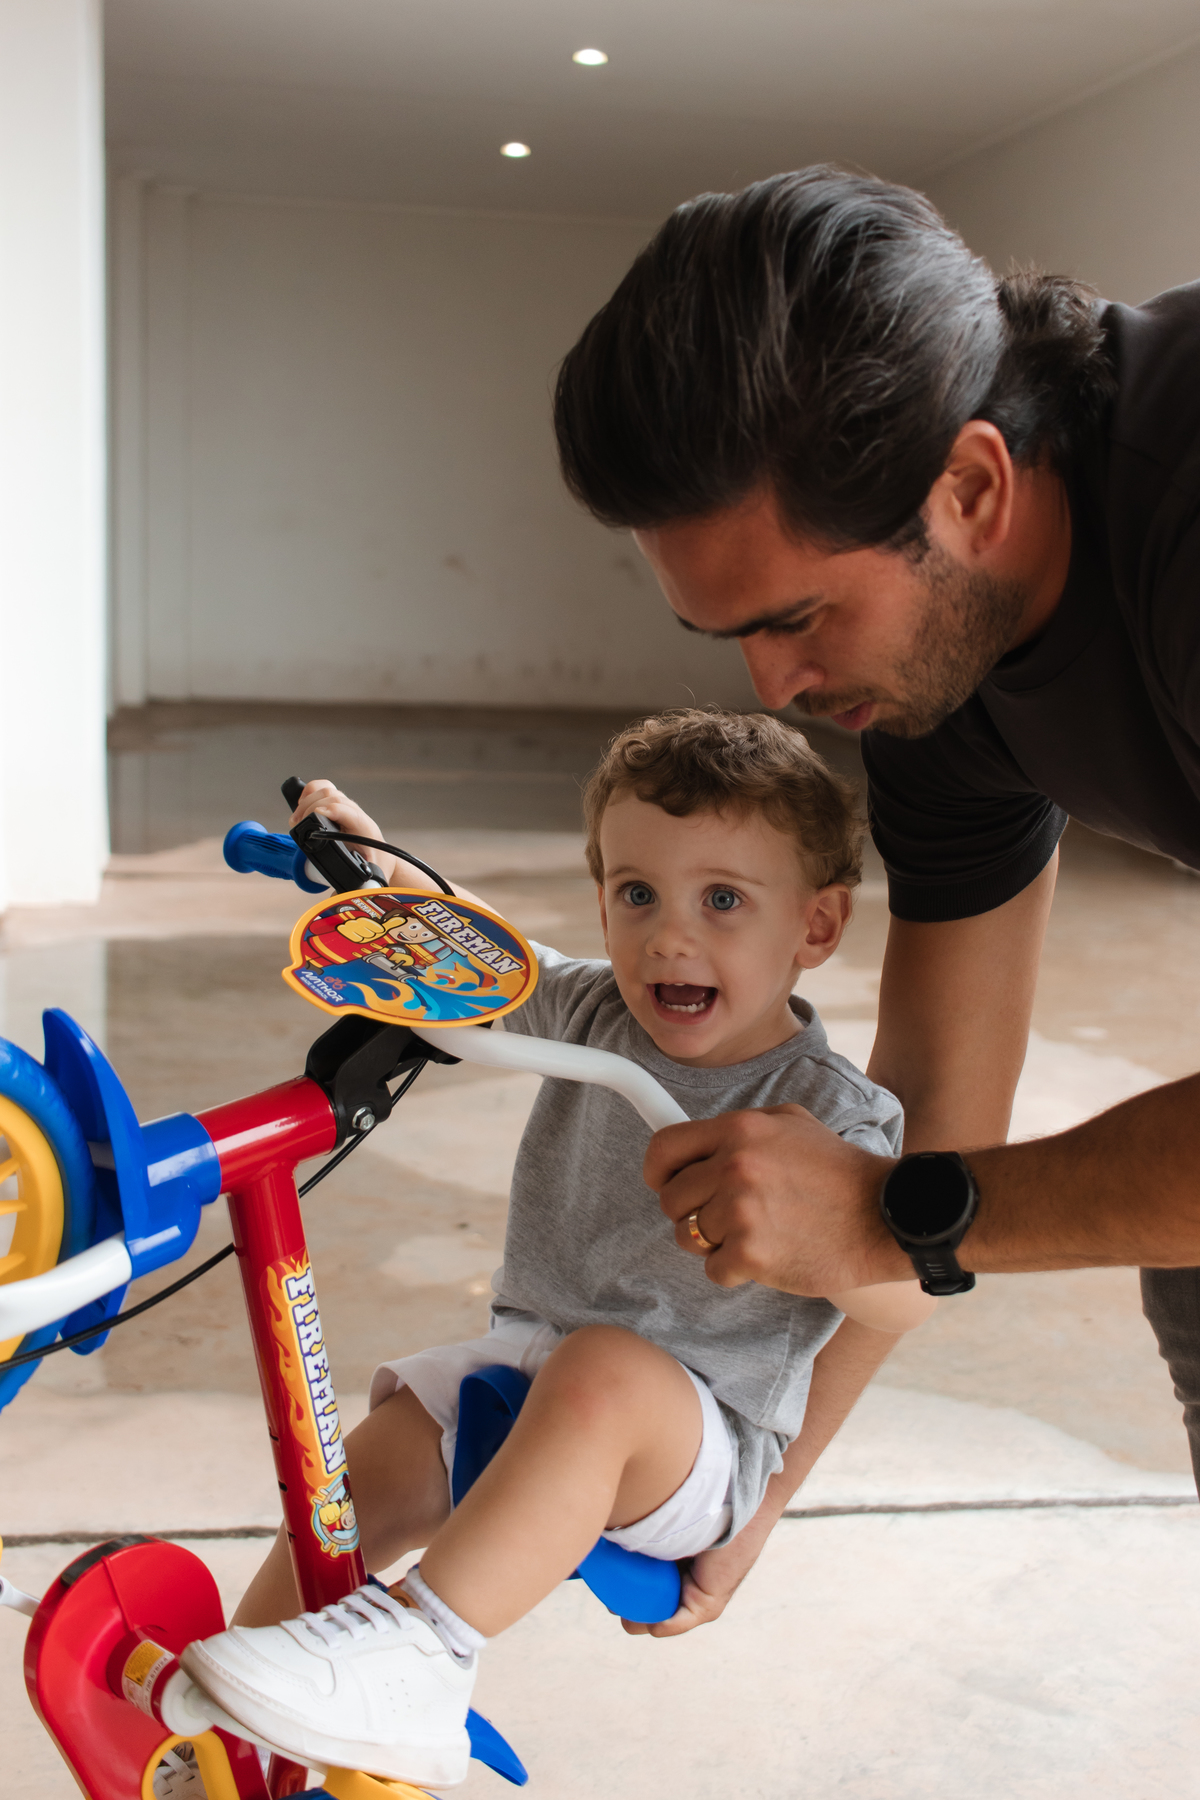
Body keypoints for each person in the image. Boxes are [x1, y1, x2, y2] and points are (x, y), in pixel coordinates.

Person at [551, 163, 1200, 1484]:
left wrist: (905, 1215)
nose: (773, 688)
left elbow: (903, 1202)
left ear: (972, 488)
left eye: (797, 617)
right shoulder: (936, 673)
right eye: (733, 635)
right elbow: (932, 1122)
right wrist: (751, 1496)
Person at [179, 710, 932, 1786]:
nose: (669, 937)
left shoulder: (833, 1115)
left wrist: (832, 1239)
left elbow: (911, 1296)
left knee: (602, 1372)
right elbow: (483, 958)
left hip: (696, 1437)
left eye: (723, 900)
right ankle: (230, 1721)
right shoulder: (595, 1010)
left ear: (816, 925)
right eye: (638, 894)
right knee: (365, 1471)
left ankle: (421, 1654)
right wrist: (381, 871)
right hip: (533, 1363)